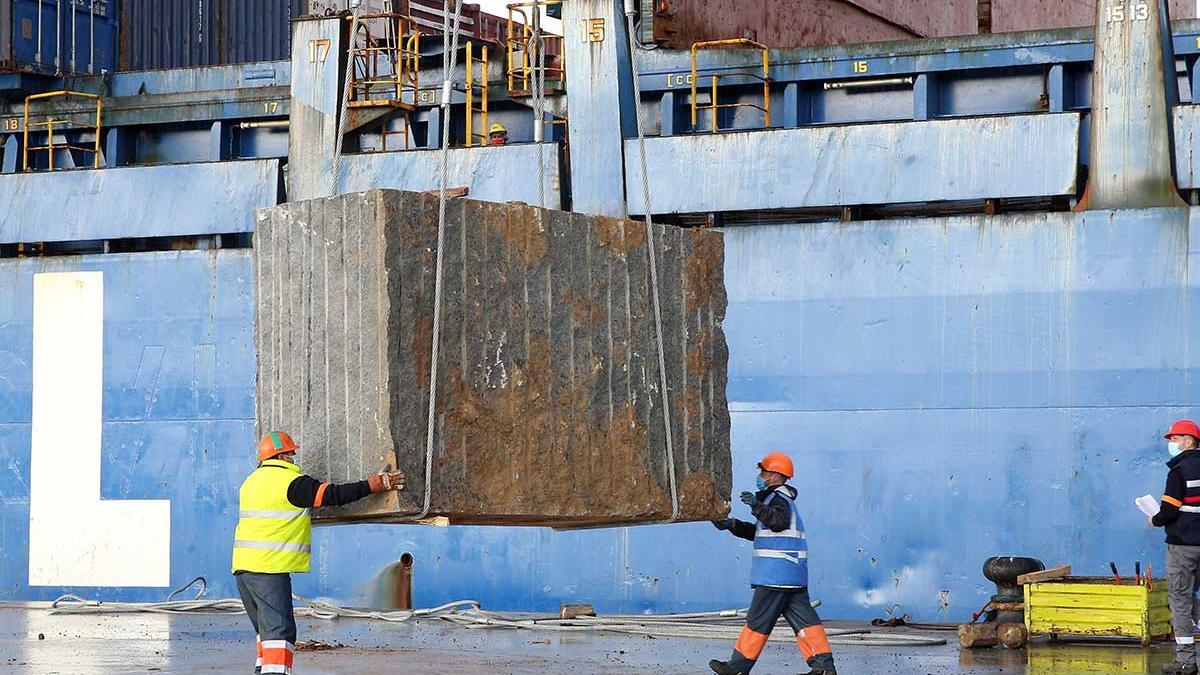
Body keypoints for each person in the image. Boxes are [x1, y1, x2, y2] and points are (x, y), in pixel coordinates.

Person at [232, 431, 405, 675]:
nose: (294, 459)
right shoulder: (290, 482)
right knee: (279, 635)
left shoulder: (251, 482)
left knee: (266, 637)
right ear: (283, 456)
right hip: (269, 570)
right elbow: (333, 495)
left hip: (244, 570)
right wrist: (372, 485)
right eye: (292, 454)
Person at [709, 452, 837, 675]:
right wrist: (732, 525)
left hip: (776, 575)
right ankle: (824, 668)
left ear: (776, 476)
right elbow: (759, 532)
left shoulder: (778, 499)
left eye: (764, 472)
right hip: (791, 575)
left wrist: (756, 506)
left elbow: (777, 522)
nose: (760, 475)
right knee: (806, 622)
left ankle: (737, 668)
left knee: (757, 621)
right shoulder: (777, 500)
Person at [1152, 420, 1200, 675]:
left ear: (1188, 440)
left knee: (1180, 600)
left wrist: (1154, 519)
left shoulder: (1179, 471)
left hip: (1183, 546)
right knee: (1190, 598)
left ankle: (1185, 661)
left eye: (1174, 438)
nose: (1171, 444)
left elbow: (1169, 511)